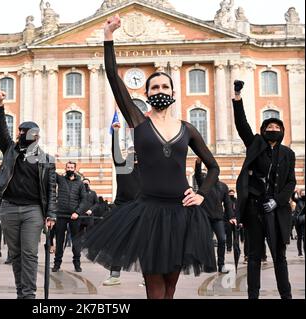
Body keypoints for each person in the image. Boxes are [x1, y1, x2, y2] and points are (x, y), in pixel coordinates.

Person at [79, 15, 219, 299]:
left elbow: (214, 167)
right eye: (154, 88)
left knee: (170, 287)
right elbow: (112, 76)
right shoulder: (138, 121)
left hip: (183, 213)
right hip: (149, 213)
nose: (160, 91)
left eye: (164, 87)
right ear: (147, 93)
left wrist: (202, 194)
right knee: (154, 288)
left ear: (173, 92)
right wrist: (108, 37)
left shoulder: (188, 129)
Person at [231, 80, 296, 299]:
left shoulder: (288, 154)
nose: (273, 130)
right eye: (269, 127)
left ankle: (286, 295)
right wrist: (237, 97)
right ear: (263, 130)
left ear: (282, 132)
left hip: (277, 210)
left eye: (277, 128)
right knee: (254, 256)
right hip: (255, 209)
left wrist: (278, 200)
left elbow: (291, 182)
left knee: (280, 256)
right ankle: (253, 296)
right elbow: (242, 125)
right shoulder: (256, 144)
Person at [0, 91, 56, 299]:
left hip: (33, 211)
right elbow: (1, 132)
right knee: (16, 255)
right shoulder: (11, 150)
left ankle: (29, 295)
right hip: (8, 207)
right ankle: (21, 292)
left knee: (29, 254)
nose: (20, 134)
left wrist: (51, 214)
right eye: (19, 131)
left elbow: (51, 189)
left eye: (24, 132)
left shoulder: (46, 159)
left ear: (35, 136)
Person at [103, 121, 141, 286]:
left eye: (136, 153)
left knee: (146, 243)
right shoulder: (121, 166)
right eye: (131, 153)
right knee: (118, 243)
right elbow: (115, 150)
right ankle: (114, 275)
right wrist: (116, 133)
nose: (134, 155)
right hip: (121, 208)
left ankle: (149, 276)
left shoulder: (147, 169)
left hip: (140, 209)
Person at [194, 158, 236, 274]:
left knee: (222, 239)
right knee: (206, 241)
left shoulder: (223, 187)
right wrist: (198, 163)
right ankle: (206, 264)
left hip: (218, 219)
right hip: (205, 218)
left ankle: (221, 265)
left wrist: (232, 217)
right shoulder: (204, 183)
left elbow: (227, 204)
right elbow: (197, 175)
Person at [52, 162, 87, 273]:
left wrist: (77, 212)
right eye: (68, 167)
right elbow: (51, 173)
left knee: (76, 241)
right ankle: (57, 264)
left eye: (72, 167)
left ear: (75, 169)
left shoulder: (80, 184)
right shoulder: (61, 179)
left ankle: (77, 264)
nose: (70, 169)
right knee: (59, 241)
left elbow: (84, 200)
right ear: (65, 168)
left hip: (74, 216)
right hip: (61, 214)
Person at [292, 189, 305, 257]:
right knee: (299, 237)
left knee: (304, 237)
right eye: (302, 193)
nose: (303, 194)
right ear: (300, 194)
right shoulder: (298, 200)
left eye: (304, 193)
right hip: (298, 221)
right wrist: (294, 192)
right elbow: (293, 197)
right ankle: (300, 252)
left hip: (304, 221)